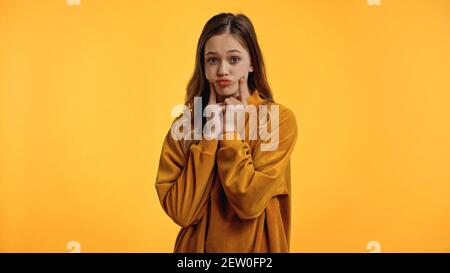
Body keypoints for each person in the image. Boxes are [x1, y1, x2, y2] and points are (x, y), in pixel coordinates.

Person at [155, 12, 298, 252]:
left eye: (233, 59)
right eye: (212, 60)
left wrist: (230, 133)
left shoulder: (276, 120)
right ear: (204, 65)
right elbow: (181, 212)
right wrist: (210, 135)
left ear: (251, 62)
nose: (223, 70)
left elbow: (249, 202)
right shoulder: (185, 126)